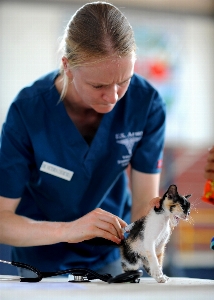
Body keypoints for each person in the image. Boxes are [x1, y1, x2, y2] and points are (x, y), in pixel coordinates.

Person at [0, 2, 165, 277]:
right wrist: (69, 230)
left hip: (109, 254)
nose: (113, 97)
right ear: (67, 66)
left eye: (124, 80)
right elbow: (2, 221)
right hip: (38, 257)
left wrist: (154, 239)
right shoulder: (28, 111)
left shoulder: (146, 104)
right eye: (98, 85)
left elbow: (143, 208)